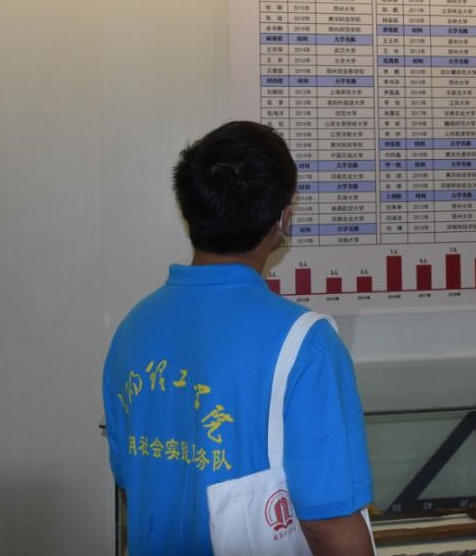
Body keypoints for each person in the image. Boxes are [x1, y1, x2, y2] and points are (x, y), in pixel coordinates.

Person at [102, 120, 375, 555]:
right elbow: (330, 525)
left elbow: (130, 481)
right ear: (283, 219)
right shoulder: (307, 344)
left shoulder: (133, 330)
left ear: (191, 210)